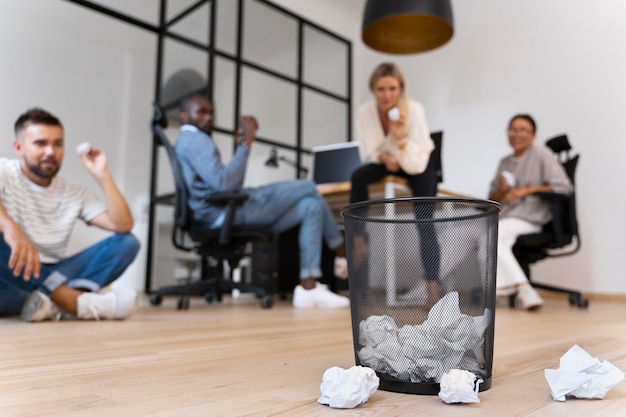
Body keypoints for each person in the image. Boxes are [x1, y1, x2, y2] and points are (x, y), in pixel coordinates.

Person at [174, 95, 349, 309]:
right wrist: (246, 142)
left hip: (220, 211)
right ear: (184, 116)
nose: (208, 117)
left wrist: (242, 144)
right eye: (201, 112)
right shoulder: (195, 139)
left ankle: (308, 287)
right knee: (310, 187)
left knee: (311, 206)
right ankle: (343, 252)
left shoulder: (186, 141)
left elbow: (219, 182)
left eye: (210, 112)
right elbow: (225, 184)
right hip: (224, 211)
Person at [0, 108, 140, 322]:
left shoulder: (73, 191)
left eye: (57, 144)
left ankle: (48, 302)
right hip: (9, 278)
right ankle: (71, 301)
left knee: (127, 243)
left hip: (59, 271)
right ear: (18, 147)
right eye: (40, 143)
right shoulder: (5, 171)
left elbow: (123, 225)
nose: (50, 151)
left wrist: (102, 175)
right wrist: (9, 226)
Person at [350, 62, 440, 302]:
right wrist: (383, 158)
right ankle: (359, 241)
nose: (387, 95)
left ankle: (432, 284)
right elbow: (368, 150)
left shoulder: (415, 109)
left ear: (400, 88)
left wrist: (400, 138)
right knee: (358, 177)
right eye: (381, 89)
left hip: (415, 159)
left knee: (424, 218)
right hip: (387, 158)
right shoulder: (365, 112)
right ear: (372, 89)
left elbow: (415, 163)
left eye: (392, 88)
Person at [488, 114, 573, 310]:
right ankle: (429, 288)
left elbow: (564, 187)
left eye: (522, 129)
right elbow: (491, 200)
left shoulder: (541, 154)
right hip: (506, 216)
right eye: (512, 129)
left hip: (530, 217)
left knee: (494, 234)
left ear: (533, 135)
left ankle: (523, 289)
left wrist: (527, 189)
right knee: (464, 234)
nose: (516, 134)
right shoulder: (504, 162)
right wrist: (501, 190)